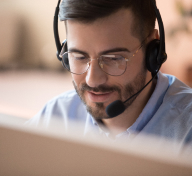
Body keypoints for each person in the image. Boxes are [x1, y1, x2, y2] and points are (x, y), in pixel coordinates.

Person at [28, 0, 192, 146]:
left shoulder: (187, 131)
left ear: (153, 51)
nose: (92, 80)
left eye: (113, 59)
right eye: (79, 57)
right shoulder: (55, 116)